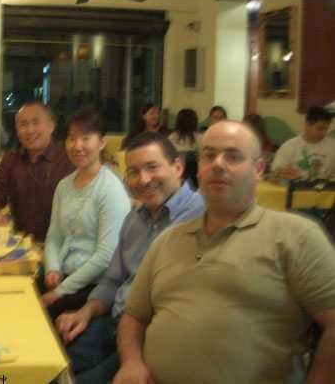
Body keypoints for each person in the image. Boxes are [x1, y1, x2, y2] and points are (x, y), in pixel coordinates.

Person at [113, 121, 335, 384]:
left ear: (258, 170)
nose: (218, 164)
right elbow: (133, 317)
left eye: (233, 156)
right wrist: (131, 362)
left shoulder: (295, 235)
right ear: (199, 169)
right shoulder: (167, 240)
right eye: (209, 156)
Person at [55, 132, 205, 383]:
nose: (143, 179)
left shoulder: (203, 217)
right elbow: (113, 280)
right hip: (113, 321)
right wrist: (86, 311)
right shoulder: (134, 218)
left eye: (152, 167)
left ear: (178, 167)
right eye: (134, 172)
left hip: (152, 337)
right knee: (53, 363)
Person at [40, 109, 131, 321]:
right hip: (62, 276)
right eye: (71, 138)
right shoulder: (64, 186)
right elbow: (54, 236)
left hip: (94, 287)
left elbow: (106, 255)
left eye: (86, 138)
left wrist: (61, 291)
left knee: (36, 316)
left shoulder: (110, 188)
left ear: (102, 142)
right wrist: (52, 268)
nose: (77, 145)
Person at [0, 101, 75, 242]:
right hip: (21, 243)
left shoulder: (68, 160)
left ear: (51, 126)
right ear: (17, 131)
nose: (30, 130)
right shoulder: (10, 160)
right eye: (23, 124)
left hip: (61, 244)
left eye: (36, 123)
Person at [272, 106, 335, 181]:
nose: (324, 133)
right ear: (307, 125)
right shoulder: (289, 146)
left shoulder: (332, 146)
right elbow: (276, 173)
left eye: (326, 129)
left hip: (325, 187)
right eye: (320, 128)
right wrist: (282, 174)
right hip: (296, 186)